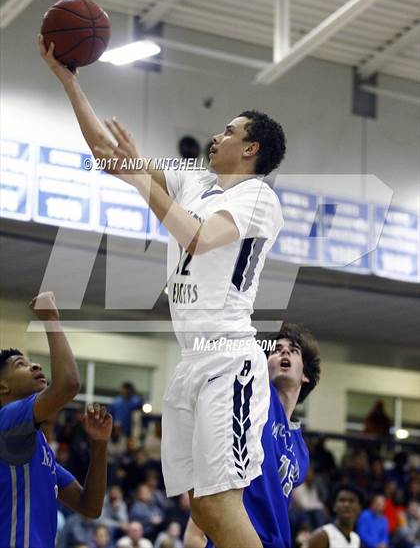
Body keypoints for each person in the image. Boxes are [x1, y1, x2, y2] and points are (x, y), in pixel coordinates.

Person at [39, 36, 286, 548]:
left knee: (220, 505)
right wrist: (69, 80)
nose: (216, 137)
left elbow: (196, 236)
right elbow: (109, 155)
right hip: (192, 362)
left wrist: (142, 184)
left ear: (251, 148)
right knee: (204, 508)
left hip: (230, 359)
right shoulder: (195, 183)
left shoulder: (259, 196)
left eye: (229, 131)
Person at [184, 323, 321, 548]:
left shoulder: (301, 451)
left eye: (293, 350)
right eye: (276, 350)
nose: (284, 352)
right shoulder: (253, 405)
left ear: (306, 375)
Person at [0, 291, 112, 548]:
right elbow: (68, 384)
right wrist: (51, 319)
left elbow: (90, 506)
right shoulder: (7, 423)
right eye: (21, 364)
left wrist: (99, 444)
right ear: (2, 386)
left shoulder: (35, 444)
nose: (35, 366)